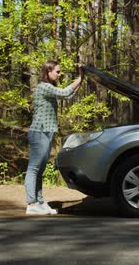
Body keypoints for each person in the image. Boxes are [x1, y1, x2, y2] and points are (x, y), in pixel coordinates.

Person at [25, 61, 84, 215]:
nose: (59, 74)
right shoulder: (44, 87)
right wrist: (80, 77)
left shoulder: (49, 88)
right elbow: (65, 92)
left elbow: (68, 94)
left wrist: (81, 79)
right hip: (39, 132)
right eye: (57, 72)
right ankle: (31, 204)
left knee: (40, 169)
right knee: (34, 169)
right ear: (48, 71)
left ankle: (39, 202)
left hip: (46, 132)